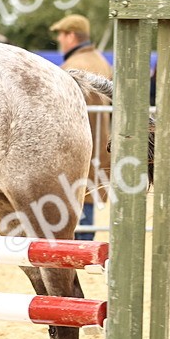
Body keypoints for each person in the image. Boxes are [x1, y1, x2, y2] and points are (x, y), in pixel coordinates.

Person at [49, 14, 112, 241]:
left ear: (71, 36)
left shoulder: (72, 67)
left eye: (61, 34)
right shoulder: (102, 62)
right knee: (85, 212)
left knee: (71, 221)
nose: (59, 40)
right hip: (98, 149)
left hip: (73, 152)